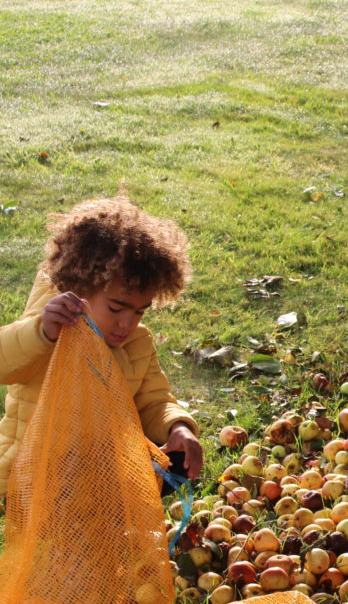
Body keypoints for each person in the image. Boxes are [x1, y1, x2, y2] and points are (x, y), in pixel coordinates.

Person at [0, 193, 203, 499]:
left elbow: (154, 400)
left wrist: (178, 427)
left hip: (98, 470)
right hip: (35, 474)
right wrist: (41, 333)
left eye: (140, 311)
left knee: (174, 460)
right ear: (78, 288)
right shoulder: (49, 332)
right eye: (116, 308)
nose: (127, 323)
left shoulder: (137, 343)